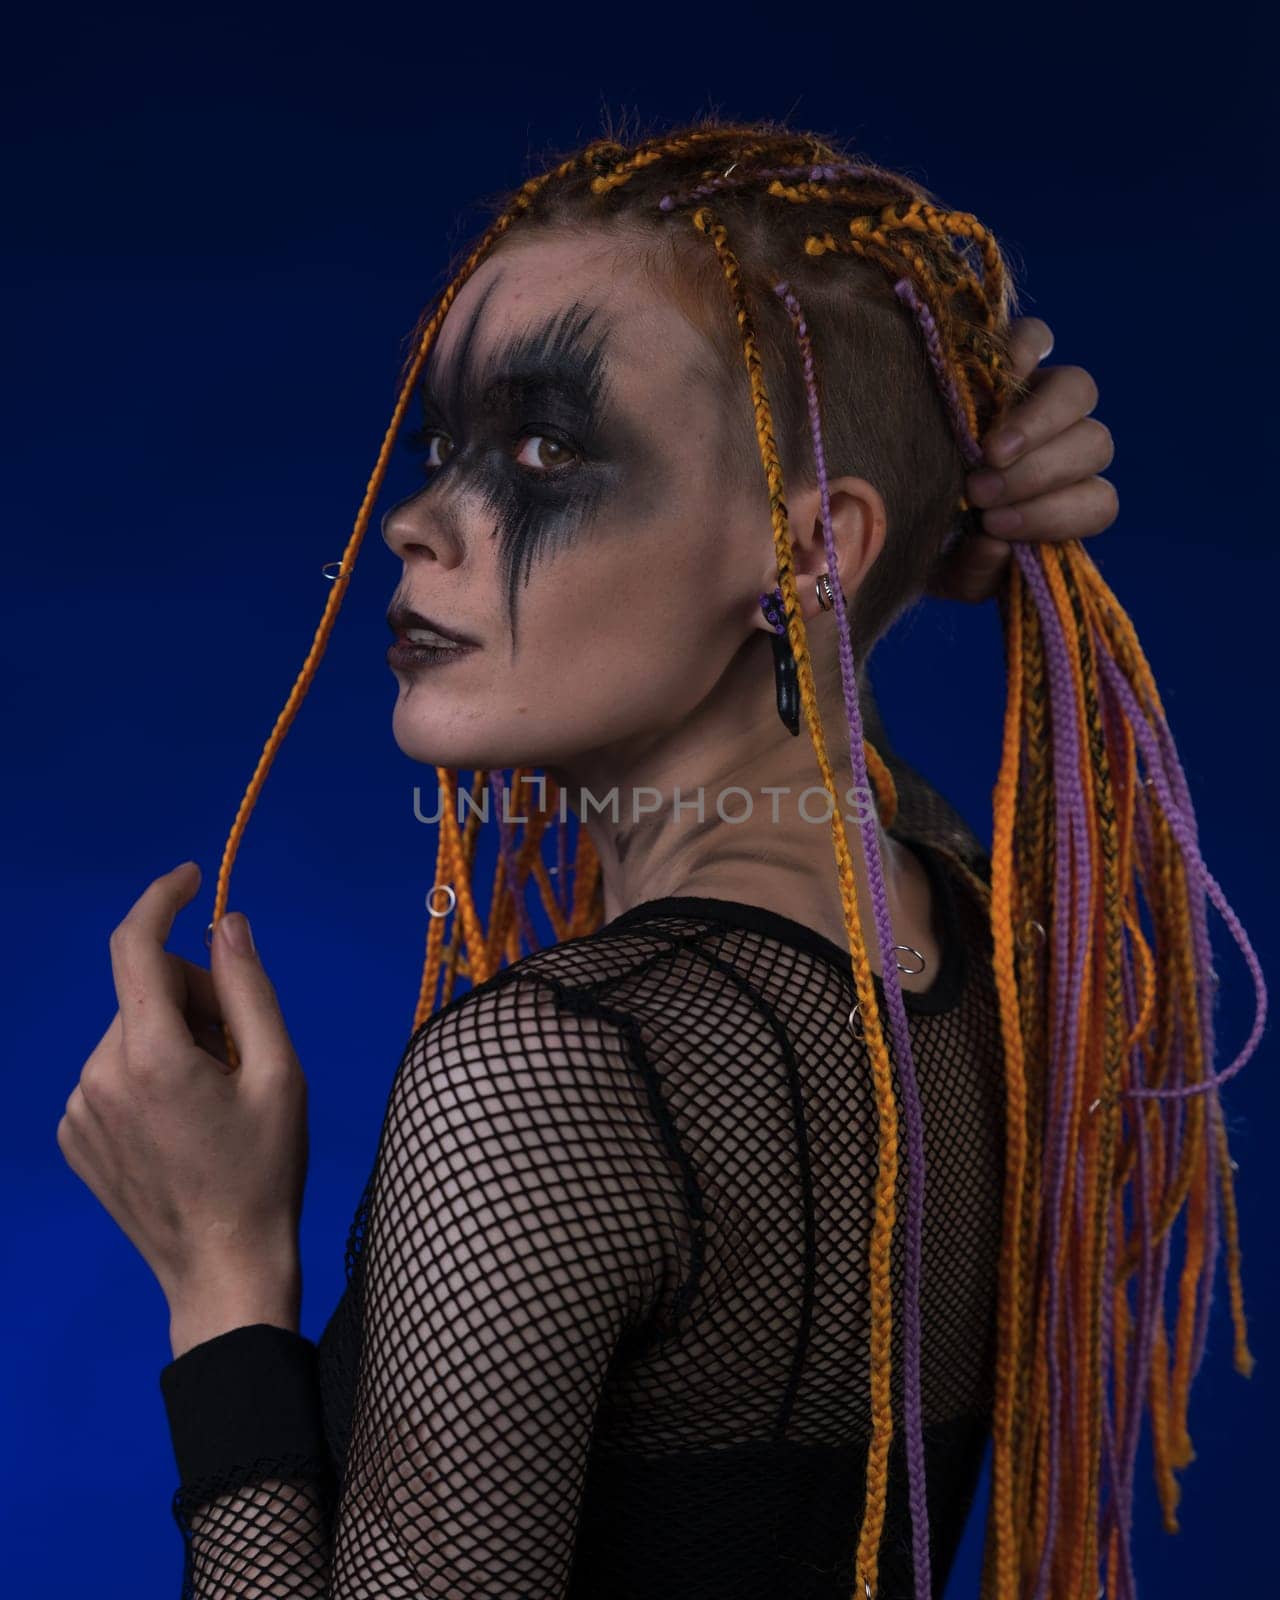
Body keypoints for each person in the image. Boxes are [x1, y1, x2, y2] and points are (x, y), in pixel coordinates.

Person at [56, 116, 1263, 1599]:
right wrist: (916, 533)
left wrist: (221, 1281)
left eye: (549, 449)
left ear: (810, 546)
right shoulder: (966, 914)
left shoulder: (546, 1083)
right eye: (444, 446)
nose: (417, 523)